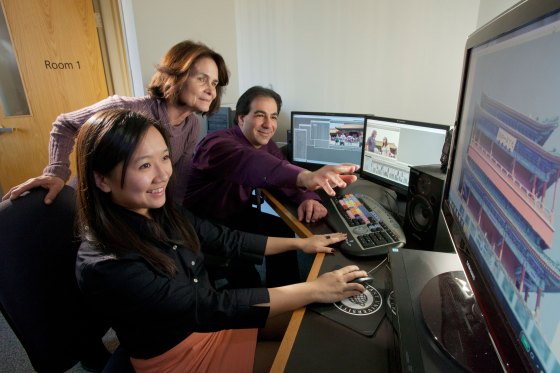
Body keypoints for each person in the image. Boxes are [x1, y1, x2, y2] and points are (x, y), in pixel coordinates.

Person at [74, 109, 368, 372]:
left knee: (319, 325)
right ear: (102, 179)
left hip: (208, 325)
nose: (163, 174)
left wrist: (301, 244)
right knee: (310, 357)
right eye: (144, 166)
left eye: (164, 157)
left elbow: (228, 239)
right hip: (180, 357)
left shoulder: (159, 211)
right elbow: (209, 306)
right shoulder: (107, 263)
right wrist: (313, 288)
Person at [2, 40, 229, 205]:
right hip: (91, 208)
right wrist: (56, 171)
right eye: (202, 79)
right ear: (175, 75)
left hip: (131, 209)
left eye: (215, 83)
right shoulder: (127, 108)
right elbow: (65, 124)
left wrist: (172, 218)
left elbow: (178, 181)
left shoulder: (191, 126)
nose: (210, 90)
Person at [183, 86, 359, 287]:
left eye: (273, 117)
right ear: (241, 119)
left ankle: (286, 286)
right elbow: (253, 162)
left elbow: (279, 170)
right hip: (203, 224)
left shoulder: (263, 143)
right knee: (246, 277)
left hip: (234, 214)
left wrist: (308, 197)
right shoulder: (216, 144)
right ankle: (256, 296)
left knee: (279, 226)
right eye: (260, 115)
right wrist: (307, 176)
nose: (268, 124)